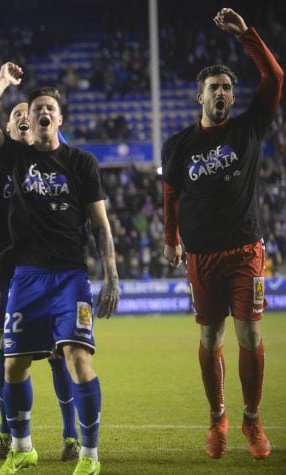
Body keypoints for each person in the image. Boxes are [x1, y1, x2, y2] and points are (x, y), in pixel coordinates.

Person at [0, 64, 119, 475]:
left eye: (50, 108)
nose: (44, 113)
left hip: (71, 277)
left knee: (76, 358)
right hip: (26, 277)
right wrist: (1, 80)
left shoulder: (82, 162)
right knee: (12, 363)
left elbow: (101, 225)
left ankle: (89, 455)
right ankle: (23, 449)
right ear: (29, 119)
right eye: (37, 109)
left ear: (60, 118)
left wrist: (112, 275)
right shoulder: (14, 157)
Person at [162, 8, 283, 461]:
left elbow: (274, 78)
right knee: (211, 339)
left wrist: (247, 35)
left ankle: (252, 420)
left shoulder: (249, 128)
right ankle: (218, 419)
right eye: (214, 87)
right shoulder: (178, 146)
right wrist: (171, 237)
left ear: (232, 98)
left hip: (246, 250)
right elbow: (171, 194)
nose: (222, 93)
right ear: (200, 97)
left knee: (250, 335)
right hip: (201, 256)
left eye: (227, 88)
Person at [0, 102, 80, 462]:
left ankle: (71, 437)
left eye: (30, 112)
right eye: (17, 114)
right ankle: (8, 431)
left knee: (61, 351)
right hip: (8, 271)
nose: (25, 116)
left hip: (51, 270)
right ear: (8, 128)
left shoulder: (54, 162)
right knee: (7, 352)